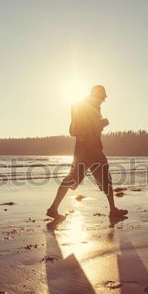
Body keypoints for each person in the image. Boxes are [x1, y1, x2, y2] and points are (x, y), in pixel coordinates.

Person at [47, 85, 128, 220]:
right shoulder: (83, 107)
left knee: (98, 179)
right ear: (96, 95)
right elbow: (76, 130)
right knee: (77, 179)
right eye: (102, 97)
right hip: (88, 149)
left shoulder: (88, 106)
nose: (103, 100)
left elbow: (78, 129)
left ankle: (53, 208)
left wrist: (98, 126)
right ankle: (53, 208)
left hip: (88, 149)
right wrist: (101, 124)